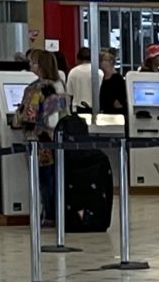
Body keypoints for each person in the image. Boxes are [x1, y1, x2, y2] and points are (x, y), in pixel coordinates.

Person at [17, 49, 69, 222]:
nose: (31, 64)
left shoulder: (36, 88)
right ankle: (56, 213)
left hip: (38, 140)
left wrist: (18, 118)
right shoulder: (58, 84)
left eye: (34, 62)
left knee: (44, 179)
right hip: (56, 138)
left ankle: (48, 214)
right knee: (55, 177)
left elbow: (27, 115)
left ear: (41, 65)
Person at [64, 47, 100, 114]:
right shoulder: (98, 72)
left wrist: (68, 112)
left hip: (77, 110)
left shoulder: (73, 72)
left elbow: (69, 94)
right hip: (95, 109)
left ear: (78, 59)